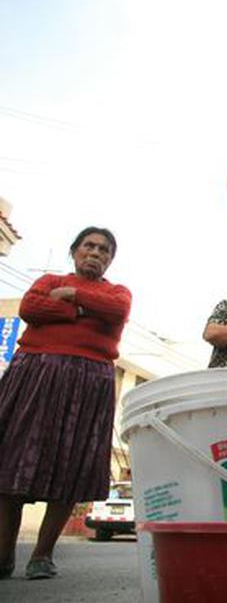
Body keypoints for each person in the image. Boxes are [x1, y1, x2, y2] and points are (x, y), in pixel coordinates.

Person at [0, 227, 131, 580]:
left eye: (104, 250)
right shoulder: (46, 280)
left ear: (110, 259)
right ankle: (3, 554)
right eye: (88, 246)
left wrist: (70, 296)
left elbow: (116, 310)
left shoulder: (118, 292)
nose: (95, 253)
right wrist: (83, 311)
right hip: (35, 376)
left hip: (89, 383)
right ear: (74, 251)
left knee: (72, 465)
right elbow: (31, 307)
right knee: (14, 461)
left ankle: (42, 556)